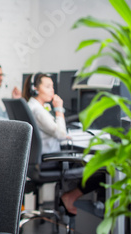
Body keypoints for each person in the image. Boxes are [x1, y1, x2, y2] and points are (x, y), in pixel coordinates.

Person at [22, 73, 105, 215]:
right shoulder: (38, 110)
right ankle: (70, 197)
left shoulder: (33, 106)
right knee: (101, 169)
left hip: (37, 161)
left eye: (52, 87)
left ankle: (70, 200)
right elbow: (61, 134)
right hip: (49, 160)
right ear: (35, 89)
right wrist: (59, 108)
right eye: (47, 87)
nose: (52, 91)